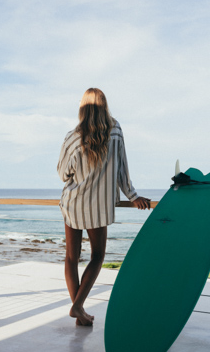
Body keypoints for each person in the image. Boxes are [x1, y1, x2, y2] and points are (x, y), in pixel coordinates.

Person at [57, 88, 151, 326]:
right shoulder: (116, 130)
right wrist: (132, 195)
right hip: (98, 207)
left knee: (71, 257)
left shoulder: (72, 137)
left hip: (73, 204)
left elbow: (62, 173)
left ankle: (78, 310)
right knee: (97, 256)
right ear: (105, 106)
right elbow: (122, 169)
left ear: (83, 109)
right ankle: (78, 307)